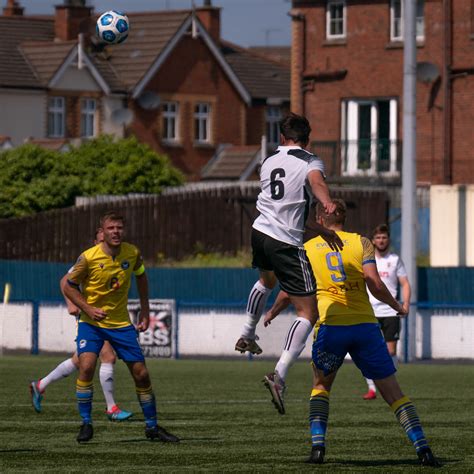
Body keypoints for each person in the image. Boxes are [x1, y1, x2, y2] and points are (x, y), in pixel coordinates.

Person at [264, 199, 439, 467]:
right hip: (365, 327)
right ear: (344, 219)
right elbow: (375, 283)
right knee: (394, 393)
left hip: (332, 326)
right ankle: (423, 449)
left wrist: (273, 310)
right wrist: (397, 306)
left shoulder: (308, 248)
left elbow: (290, 290)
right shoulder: (362, 242)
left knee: (321, 386)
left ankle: (318, 449)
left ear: (320, 220)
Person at [233, 113, 342, 415]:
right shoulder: (311, 161)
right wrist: (327, 202)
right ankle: (279, 376)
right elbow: (316, 183)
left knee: (266, 282)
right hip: (285, 243)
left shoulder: (268, 162)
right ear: (308, 138)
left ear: (282, 138)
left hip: (260, 232)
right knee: (308, 312)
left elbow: (289, 207)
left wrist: (319, 228)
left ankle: (247, 331)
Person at [62, 211, 179, 443]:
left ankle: (152, 427)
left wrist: (145, 309)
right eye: (111, 228)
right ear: (102, 232)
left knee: (142, 374)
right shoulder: (88, 257)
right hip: (91, 323)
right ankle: (86, 424)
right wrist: (88, 308)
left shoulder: (132, 253)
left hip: (121, 324)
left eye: (119, 228)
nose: (115, 232)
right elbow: (68, 286)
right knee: (86, 366)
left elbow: (141, 276)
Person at [29, 230, 133, 421]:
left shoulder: (117, 258)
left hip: (105, 317)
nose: (106, 242)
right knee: (108, 356)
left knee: (79, 361)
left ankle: (40, 385)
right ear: (96, 241)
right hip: (90, 318)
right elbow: (64, 281)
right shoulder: (89, 258)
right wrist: (72, 304)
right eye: (102, 240)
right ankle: (112, 408)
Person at [363, 224, 411, 400]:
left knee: (390, 352)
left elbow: (405, 283)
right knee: (368, 351)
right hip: (369, 312)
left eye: (384, 237)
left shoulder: (395, 259)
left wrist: (405, 304)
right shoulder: (366, 259)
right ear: (373, 240)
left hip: (391, 312)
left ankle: (390, 385)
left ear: (388, 239)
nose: (381, 240)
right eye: (378, 237)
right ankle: (372, 389)